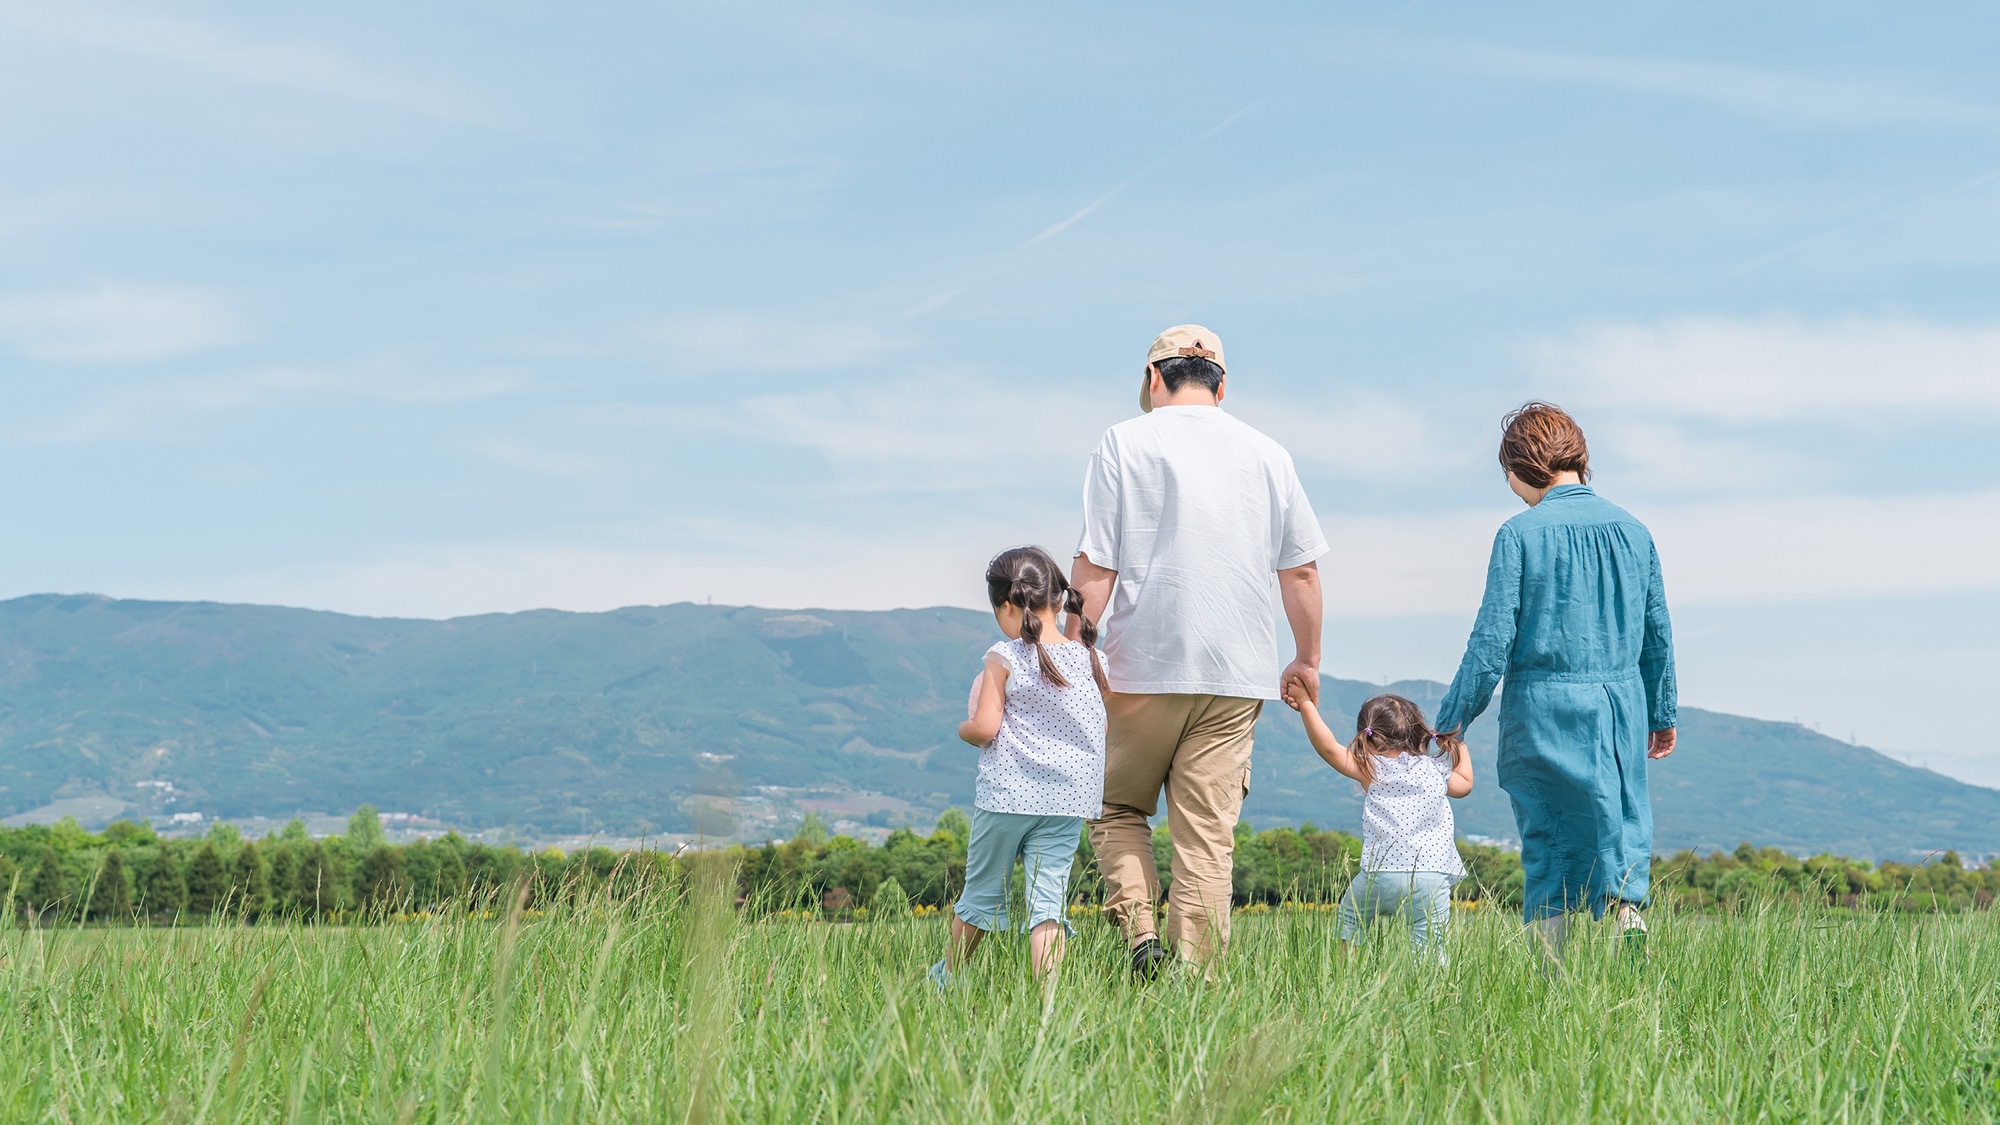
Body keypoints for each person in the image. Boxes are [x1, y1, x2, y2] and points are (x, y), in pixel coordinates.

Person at [1070, 325, 1327, 977]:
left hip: (1139, 666)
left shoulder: (1123, 441)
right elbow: (1301, 572)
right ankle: (1197, 985)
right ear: (1222, 386)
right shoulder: (1269, 453)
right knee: (1207, 842)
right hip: (1237, 674)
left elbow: (1097, 561)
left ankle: (1141, 936)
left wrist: (1073, 648)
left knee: (1114, 806)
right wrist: (1306, 659)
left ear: (1154, 378)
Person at [1432, 402, 1677, 966]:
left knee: (1549, 840)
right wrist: (1661, 713)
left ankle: (1551, 977)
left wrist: (1452, 720)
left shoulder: (1518, 533)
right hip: (1621, 705)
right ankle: (1628, 923)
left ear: (1521, 466)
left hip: (1542, 707)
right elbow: (1657, 632)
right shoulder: (1634, 531)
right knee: (1622, 826)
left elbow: (1491, 640)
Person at [930, 546, 1108, 989]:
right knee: (1048, 906)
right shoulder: (1090, 659)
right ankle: (1048, 1000)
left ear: (1007, 606)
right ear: (1057, 600)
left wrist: (962, 728)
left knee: (981, 894)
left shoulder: (1003, 656)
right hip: (1066, 802)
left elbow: (985, 728)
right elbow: (1099, 726)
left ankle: (947, 980)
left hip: (1007, 797)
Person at [1285, 691, 1472, 963]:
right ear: (1417, 732)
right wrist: (1460, 744)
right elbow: (1464, 784)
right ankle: (1432, 985)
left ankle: (1346, 974)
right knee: (1430, 946)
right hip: (1432, 875)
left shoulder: (1371, 768)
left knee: (1352, 918)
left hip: (1381, 874)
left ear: (1367, 734)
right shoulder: (1435, 769)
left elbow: (1328, 748)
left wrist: (1305, 704)